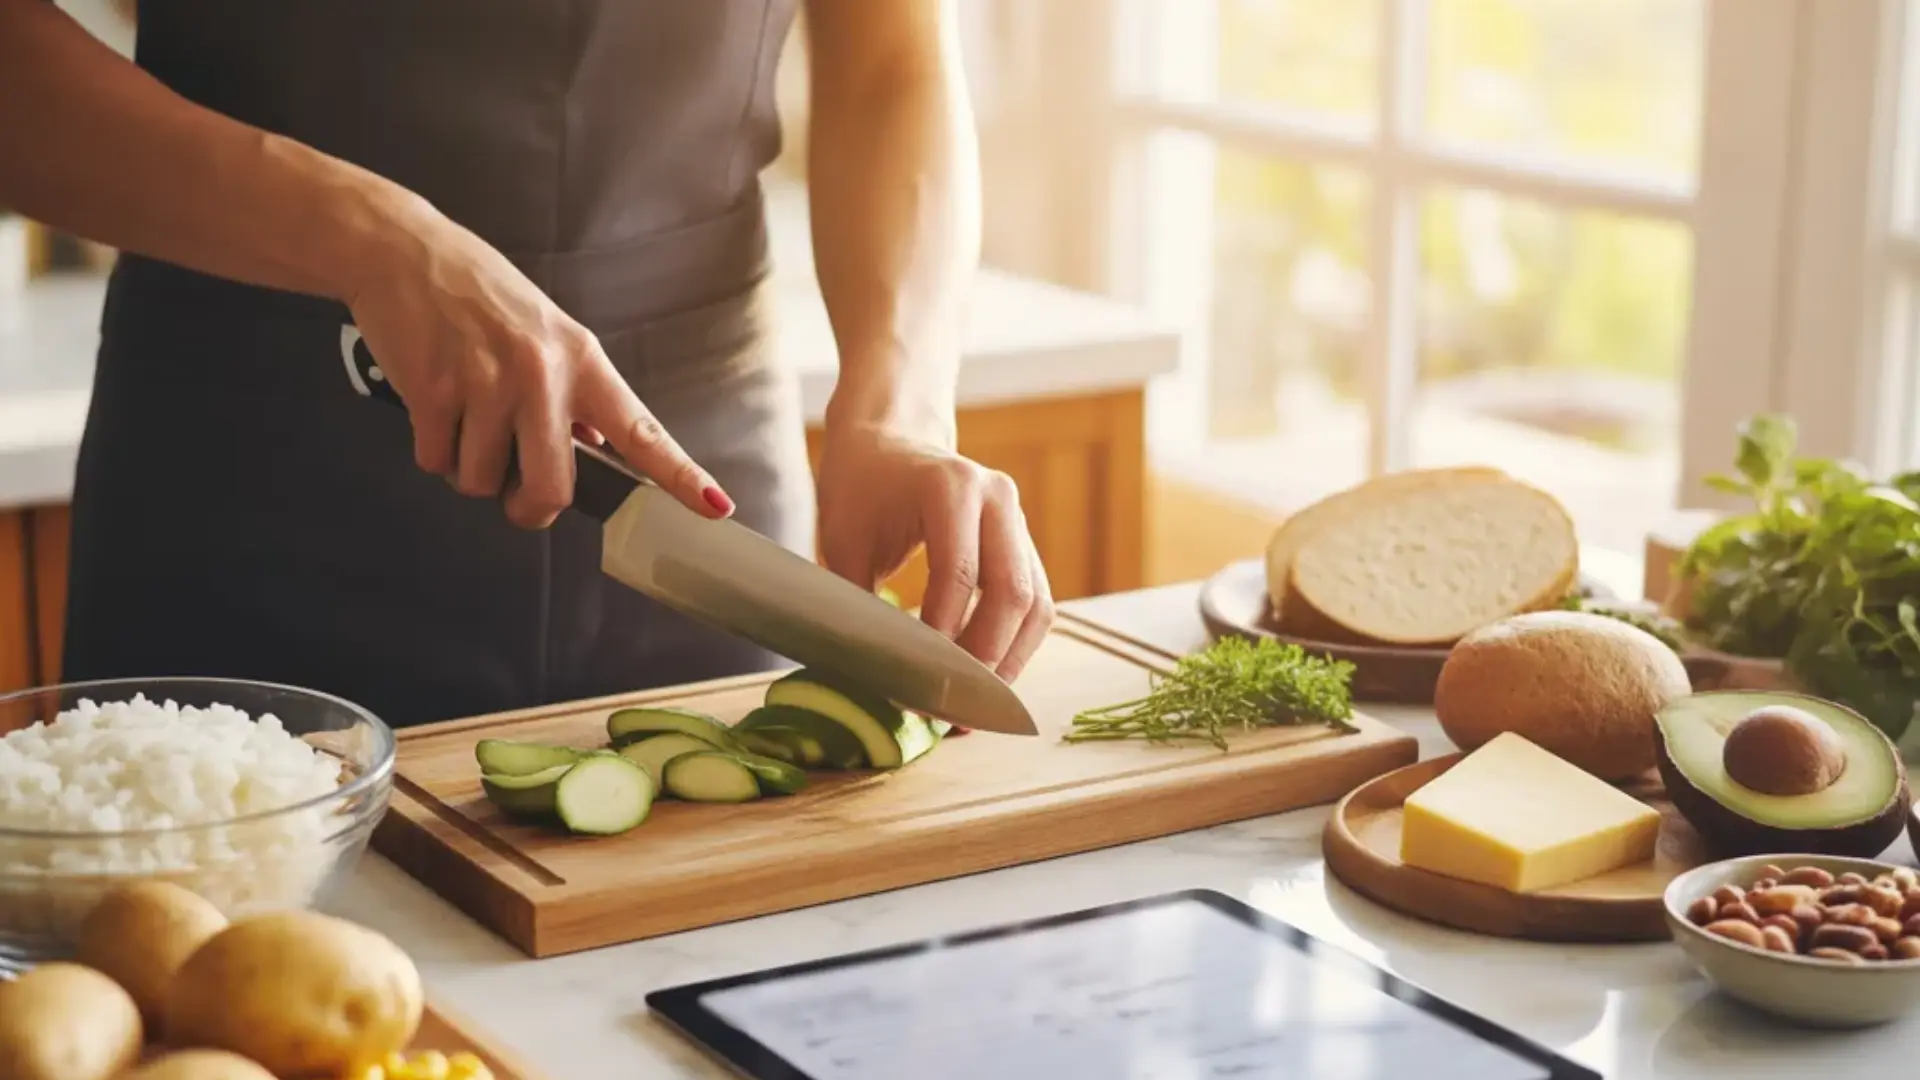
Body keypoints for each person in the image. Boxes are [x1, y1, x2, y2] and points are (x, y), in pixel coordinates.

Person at [0, 0, 1054, 727]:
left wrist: (897, 402)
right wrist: (371, 236)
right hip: (248, 494)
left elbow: (894, 56)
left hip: (699, 501)